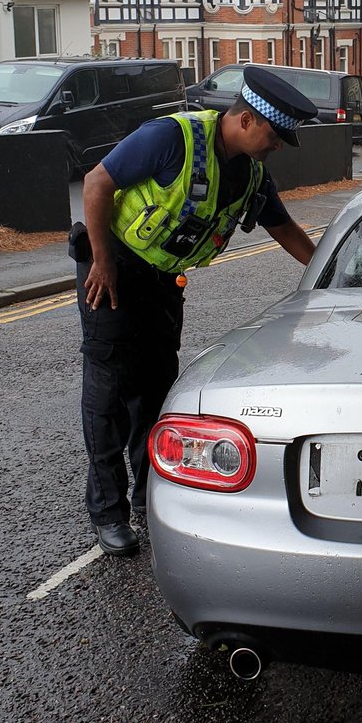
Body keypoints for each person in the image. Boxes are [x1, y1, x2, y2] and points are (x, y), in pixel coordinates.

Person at [71, 65, 318, 557]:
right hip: (112, 269)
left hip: (163, 279)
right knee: (109, 390)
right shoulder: (170, 137)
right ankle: (108, 512)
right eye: (274, 135)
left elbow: (285, 229)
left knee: (157, 386)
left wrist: (331, 272)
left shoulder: (250, 174)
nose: (276, 146)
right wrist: (101, 262)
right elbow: (96, 183)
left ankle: (146, 497)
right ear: (246, 120)